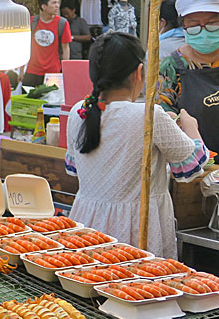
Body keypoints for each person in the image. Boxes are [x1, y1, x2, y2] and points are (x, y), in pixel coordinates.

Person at [65, 33, 208, 258]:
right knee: (134, 288)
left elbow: (75, 168)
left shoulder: (78, 111)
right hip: (133, 231)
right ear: (140, 72)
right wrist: (191, 127)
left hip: (86, 226)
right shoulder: (148, 115)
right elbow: (193, 162)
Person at [158, 0, 219, 154]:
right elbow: (163, 113)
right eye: (194, 26)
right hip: (194, 165)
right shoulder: (171, 66)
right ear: (183, 28)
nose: (204, 31)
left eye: (212, 24)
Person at [24, 0, 72, 87]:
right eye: (54, 3)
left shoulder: (62, 23)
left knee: (51, 100)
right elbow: (24, 46)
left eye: (58, 2)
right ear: (44, 6)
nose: (57, 6)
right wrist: (21, 71)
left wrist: (65, 70)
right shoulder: (32, 21)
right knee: (30, 100)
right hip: (32, 71)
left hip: (53, 72)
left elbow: (65, 48)